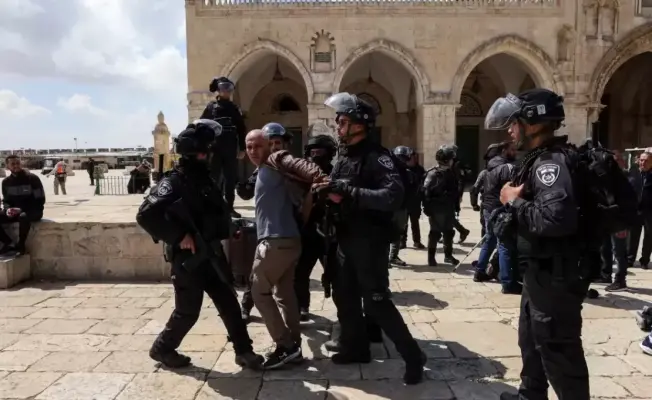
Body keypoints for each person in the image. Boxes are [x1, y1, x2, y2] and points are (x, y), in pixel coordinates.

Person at [484, 89, 590, 400]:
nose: (510, 130)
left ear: (532, 123)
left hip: (557, 275)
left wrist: (513, 201)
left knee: (559, 352)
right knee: (530, 339)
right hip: (540, 271)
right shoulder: (538, 159)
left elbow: (555, 219)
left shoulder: (550, 164)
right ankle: (530, 395)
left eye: (514, 123)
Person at [135, 119, 263, 371]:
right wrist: (178, 235)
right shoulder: (173, 182)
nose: (209, 156)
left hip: (212, 253)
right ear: (194, 153)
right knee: (187, 312)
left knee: (229, 303)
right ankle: (162, 348)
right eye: (205, 152)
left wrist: (232, 228)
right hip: (188, 259)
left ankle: (244, 351)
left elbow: (217, 212)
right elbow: (145, 215)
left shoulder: (205, 180)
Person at [316, 92, 426, 385]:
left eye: (342, 121)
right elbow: (339, 190)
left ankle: (414, 356)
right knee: (344, 294)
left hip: (369, 241)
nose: (338, 127)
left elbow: (392, 196)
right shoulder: (345, 156)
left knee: (376, 302)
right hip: (345, 237)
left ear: (359, 125)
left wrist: (348, 192)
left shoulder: (378, 157)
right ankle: (356, 347)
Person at [245, 128, 327, 369]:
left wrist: (321, 178)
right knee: (285, 294)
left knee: (259, 291)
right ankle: (294, 346)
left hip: (276, 242)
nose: (253, 151)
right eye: (249, 146)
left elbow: (301, 164)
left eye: (258, 145)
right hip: (290, 240)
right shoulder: (264, 170)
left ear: (269, 145)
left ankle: (285, 346)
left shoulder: (275, 159)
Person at [237, 122, 295, 322]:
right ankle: (246, 306)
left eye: (278, 143)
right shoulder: (263, 168)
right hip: (267, 230)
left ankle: (294, 320)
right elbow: (246, 192)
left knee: (286, 284)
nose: (275, 147)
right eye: (271, 143)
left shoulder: (290, 165)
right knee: (257, 275)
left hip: (288, 229)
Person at [294, 133, 338, 320]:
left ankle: (345, 311)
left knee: (337, 275)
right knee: (300, 272)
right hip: (309, 232)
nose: (316, 157)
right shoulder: (301, 176)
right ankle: (302, 306)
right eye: (313, 153)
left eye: (320, 153)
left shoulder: (337, 174)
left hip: (333, 232)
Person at [473, 141, 521, 294]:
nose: (515, 152)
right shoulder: (507, 168)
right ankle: (507, 283)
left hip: (488, 209)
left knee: (490, 240)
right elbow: (513, 190)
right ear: (504, 151)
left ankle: (479, 271)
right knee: (504, 245)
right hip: (500, 210)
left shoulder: (489, 168)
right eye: (512, 150)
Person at [201, 76, 247, 218]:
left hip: (230, 148)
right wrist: (203, 146)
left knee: (230, 179)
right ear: (218, 90)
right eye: (223, 88)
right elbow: (202, 124)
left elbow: (241, 129)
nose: (226, 91)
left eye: (229, 88)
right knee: (214, 178)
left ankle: (229, 208)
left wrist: (242, 148)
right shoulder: (211, 107)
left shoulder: (234, 108)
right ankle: (214, 207)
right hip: (215, 149)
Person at [422, 146, 460, 267]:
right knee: (435, 233)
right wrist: (427, 208)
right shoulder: (433, 174)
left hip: (448, 208)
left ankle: (448, 256)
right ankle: (431, 258)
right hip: (437, 209)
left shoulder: (450, 172)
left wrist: (456, 205)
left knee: (449, 232)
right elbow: (425, 192)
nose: (453, 161)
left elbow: (454, 191)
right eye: (451, 159)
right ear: (446, 160)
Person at [0, 155, 45, 255]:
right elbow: (6, 201)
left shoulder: (32, 178)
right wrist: (8, 209)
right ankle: (9, 244)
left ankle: (21, 245)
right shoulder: (6, 182)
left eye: (18, 163)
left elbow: (40, 200)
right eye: (13, 164)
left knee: (23, 217)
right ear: (7, 166)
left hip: (34, 211)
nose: (16, 166)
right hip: (16, 212)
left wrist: (21, 209)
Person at [388, 145, 420, 267]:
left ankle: (393, 257)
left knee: (398, 232)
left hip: (402, 208)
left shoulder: (408, 174)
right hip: (389, 207)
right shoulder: (388, 172)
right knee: (385, 232)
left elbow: (413, 191)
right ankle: (384, 258)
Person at [628, 151, 652, 270]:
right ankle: (630, 259)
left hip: (649, 211)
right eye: (641, 160)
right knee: (633, 235)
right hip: (635, 210)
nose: (643, 163)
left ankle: (644, 260)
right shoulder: (633, 173)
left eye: (646, 161)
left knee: (649, 236)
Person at [403, 151, 425, 249]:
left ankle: (417, 241)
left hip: (415, 201)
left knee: (415, 223)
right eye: (411, 157)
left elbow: (424, 183)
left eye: (414, 157)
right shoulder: (403, 169)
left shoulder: (420, 169)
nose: (413, 159)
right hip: (405, 201)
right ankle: (402, 242)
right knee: (403, 223)